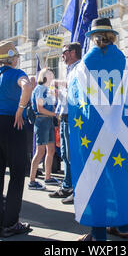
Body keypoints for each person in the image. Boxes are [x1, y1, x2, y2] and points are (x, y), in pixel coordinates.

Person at [68, 18, 128, 241]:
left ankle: (98, 233)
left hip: (92, 130)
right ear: (112, 36)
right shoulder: (121, 59)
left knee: (97, 177)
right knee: (120, 174)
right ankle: (122, 226)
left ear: (93, 37)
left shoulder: (86, 62)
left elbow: (75, 97)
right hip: (120, 129)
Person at [0, 40, 33, 238]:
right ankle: (10, 224)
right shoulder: (17, 74)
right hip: (12, 125)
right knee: (17, 175)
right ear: (13, 58)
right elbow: (27, 86)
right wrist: (20, 109)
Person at [49, 43, 82, 204]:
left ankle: (77, 190)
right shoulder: (70, 70)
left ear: (73, 52)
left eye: (64, 52)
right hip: (63, 116)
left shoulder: (79, 68)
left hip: (72, 117)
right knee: (65, 154)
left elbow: (75, 88)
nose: (62, 55)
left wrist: (58, 83)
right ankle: (67, 185)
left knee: (72, 154)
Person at [28, 68, 60, 190]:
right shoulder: (40, 89)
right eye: (50, 74)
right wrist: (55, 114)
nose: (52, 76)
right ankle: (32, 180)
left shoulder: (47, 89)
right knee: (40, 151)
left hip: (48, 121)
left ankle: (48, 177)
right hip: (41, 120)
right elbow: (40, 108)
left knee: (51, 150)